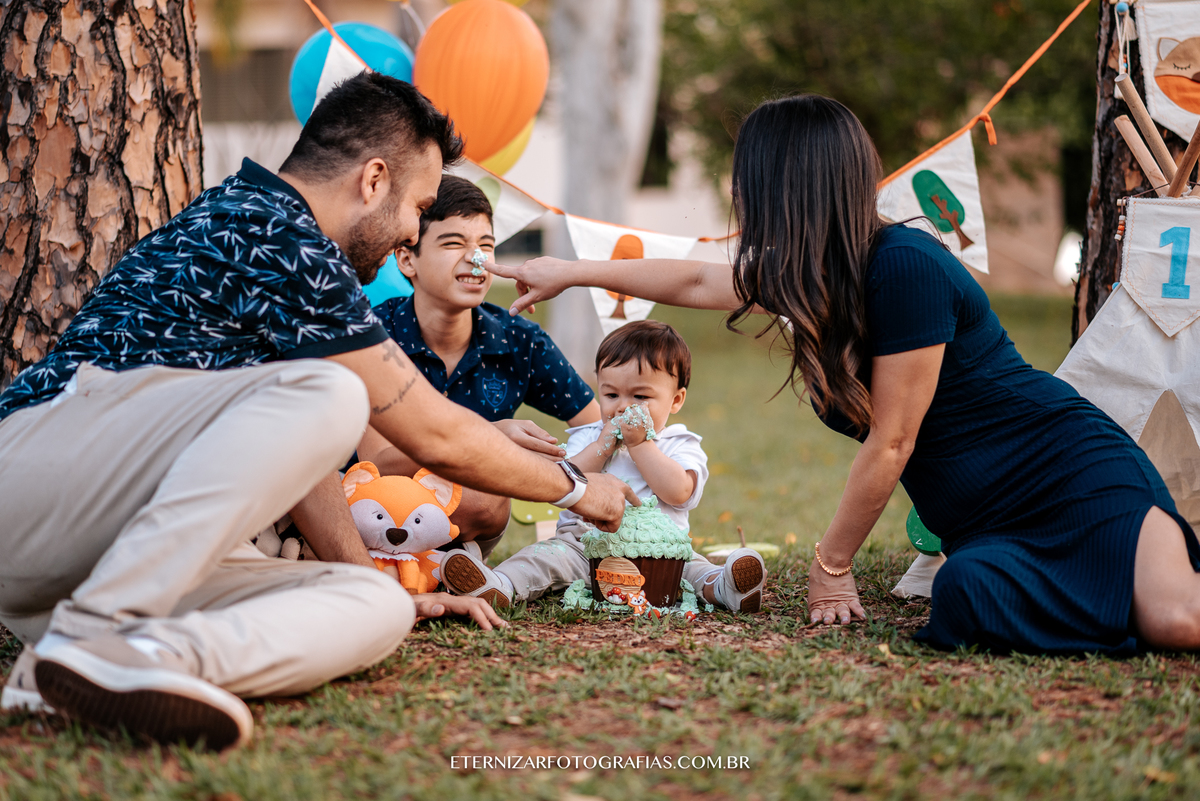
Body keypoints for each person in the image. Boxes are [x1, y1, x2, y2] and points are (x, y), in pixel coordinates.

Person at [0, 72, 636, 749]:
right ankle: (99, 629)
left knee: (375, 605)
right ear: (373, 180)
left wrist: (371, 577)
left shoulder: (272, 236)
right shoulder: (272, 228)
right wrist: (576, 487)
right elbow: (433, 432)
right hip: (36, 479)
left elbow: (295, 449)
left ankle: (124, 660)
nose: (411, 230)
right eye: (419, 207)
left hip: (81, 560)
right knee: (333, 392)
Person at [488, 93, 1200, 656]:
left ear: (787, 187)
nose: (739, 194)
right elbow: (696, 279)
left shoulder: (905, 267)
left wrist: (831, 565)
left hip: (1068, 476)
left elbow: (894, 439)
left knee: (1177, 621)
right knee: (964, 595)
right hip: (988, 527)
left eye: (748, 180)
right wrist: (571, 270)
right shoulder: (812, 275)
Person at [439, 320, 767, 613]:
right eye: (611, 395)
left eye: (640, 397)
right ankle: (499, 586)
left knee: (693, 568)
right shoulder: (588, 436)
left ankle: (725, 587)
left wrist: (641, 446)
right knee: (539, 559)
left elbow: (679, 493)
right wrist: (602, 446)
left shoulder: (678, 443)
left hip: (660, 555)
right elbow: (561, 480)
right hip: (581, 546)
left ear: (676, 400)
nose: (622, 407)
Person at [358, 176, 601, 555]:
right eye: (453, 243)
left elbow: (598, 425)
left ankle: (453, 567)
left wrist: (577, 476)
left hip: (468, 515)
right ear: (407, 259)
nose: (477, 259)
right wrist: (490, 438)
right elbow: (378, 461)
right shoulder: (373, 334)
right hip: (371, 511)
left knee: (486, 498)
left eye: (486, 246)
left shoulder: (518, 338)